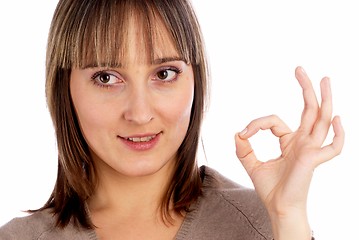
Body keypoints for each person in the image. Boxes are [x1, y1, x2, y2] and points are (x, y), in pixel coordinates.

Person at [0, 0, 344, 239]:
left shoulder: (266, 224)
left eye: (164, 73)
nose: (140, 113)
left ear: (195, 79)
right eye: (106, 78)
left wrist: (288, 220)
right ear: (65, 89)